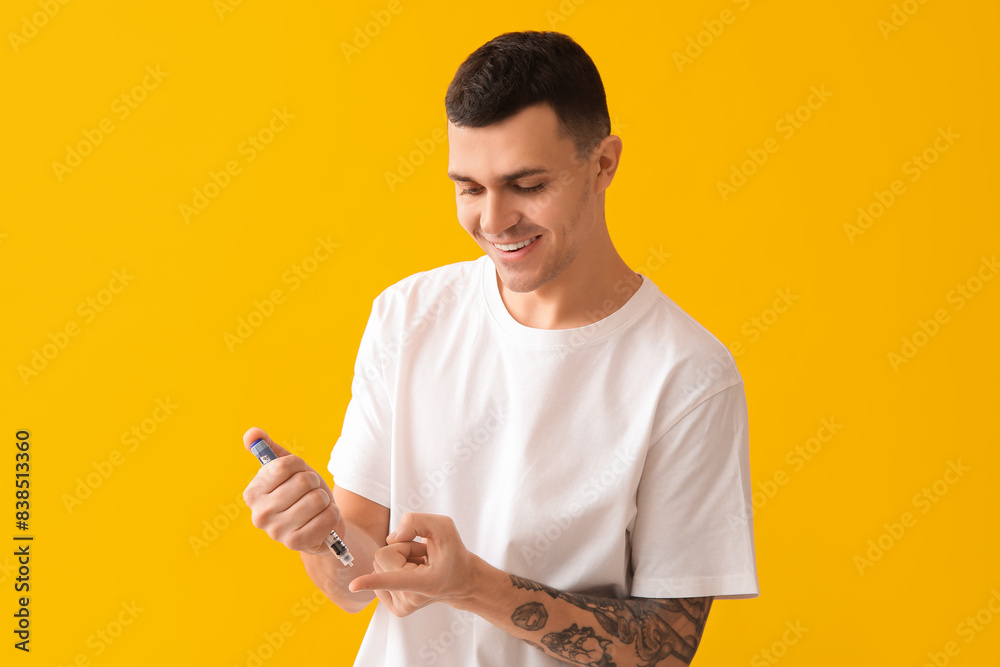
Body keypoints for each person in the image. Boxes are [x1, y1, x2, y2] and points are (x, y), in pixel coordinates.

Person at [242, 30, 759, 666]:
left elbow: (665, 652)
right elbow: (356, 581)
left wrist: (474, 587)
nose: (493, 221)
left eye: (526, 184)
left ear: (603, 165)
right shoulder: (407, 316)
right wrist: (317, 537)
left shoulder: (687, 376)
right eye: (470, 187)